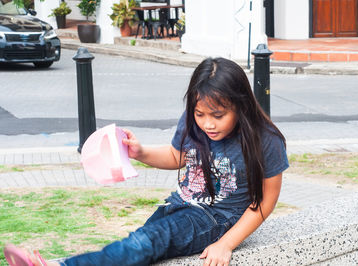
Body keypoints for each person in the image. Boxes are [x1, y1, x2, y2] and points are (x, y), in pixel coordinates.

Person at [4, 57, 289, 266]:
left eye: (218, 115)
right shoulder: (193, 120)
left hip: (217, 220)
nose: (207, 124)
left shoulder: (266, 140)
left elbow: (265, 202)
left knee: (144, 244)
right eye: (200, 114)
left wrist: (225, 244)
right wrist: (139, 152)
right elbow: (177, 156)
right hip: (178, 205)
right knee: (137, 248)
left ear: (241, 104)